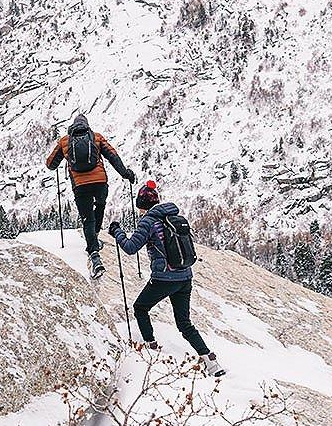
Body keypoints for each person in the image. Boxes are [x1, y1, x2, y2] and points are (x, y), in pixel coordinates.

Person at [109, 180, 226, 377]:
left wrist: (117, 232)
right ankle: (210, 361)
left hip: (164, 278)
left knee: (140, 308)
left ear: (141, 205)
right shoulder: (174, 216)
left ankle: (150, 346)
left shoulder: (148, 221)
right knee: (184, 323)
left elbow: (130, 248)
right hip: (185, 277)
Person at [46, 114, 135, 278]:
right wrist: (126, 174)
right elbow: (113, 157)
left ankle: (94, 254)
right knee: (99, 207)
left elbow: (50, 164)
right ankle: (95, 238)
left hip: (80, 186)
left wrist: (63, 157)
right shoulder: (97, 137)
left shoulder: (65, 141)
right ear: (87, 126)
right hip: (100, 182)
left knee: (87, 218)